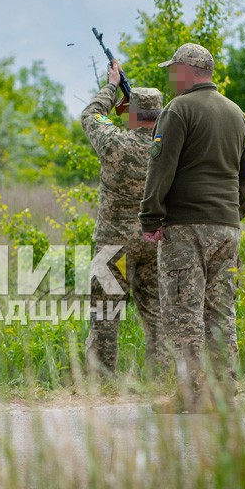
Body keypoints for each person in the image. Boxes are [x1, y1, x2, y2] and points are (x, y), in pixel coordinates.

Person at [139, 43, 245, 410]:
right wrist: (233, 215)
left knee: (184, 313)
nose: (172, 76)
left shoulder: (178, 110)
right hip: (227, 227)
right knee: (221, 312)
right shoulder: (238, 114)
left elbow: (161, 168)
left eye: (174, 69)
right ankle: (224, 394)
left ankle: (190, 396)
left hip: (186, 227)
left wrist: (151, 217)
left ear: (189, 70)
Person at [81, 59, 164, 377]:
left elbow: (91, 115)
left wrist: (111, 86)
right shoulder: (167, 149)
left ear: (131, 113)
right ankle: (163, 379)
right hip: (153, 243)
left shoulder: (115, 143)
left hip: (113, 246)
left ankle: (101, 383)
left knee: (105, 315)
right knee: (157, 317)